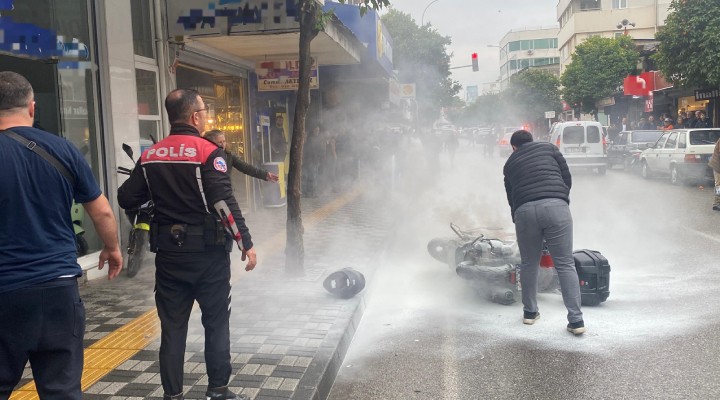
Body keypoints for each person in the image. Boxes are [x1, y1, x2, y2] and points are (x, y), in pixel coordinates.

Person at [118, 89, 257, 400]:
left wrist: (157, 195)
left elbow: (127, 197)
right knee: (216, 323)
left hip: (169, 257)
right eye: (205, 111)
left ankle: (173, 395)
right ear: (195, 116)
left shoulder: (151, 155)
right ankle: (218, 391)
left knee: (172, 329)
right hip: (209, 256)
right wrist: (245, 242)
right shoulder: (209, 152)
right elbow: (223, 202)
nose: (206, 115)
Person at [0, 71, 123, 398]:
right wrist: (112, 248)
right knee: (62, 390)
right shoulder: (62, 149)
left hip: (5, 292)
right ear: (31, 107)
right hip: (59, 288)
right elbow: (103, 211)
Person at [503, 130, 586, 335]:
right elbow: (566, 177)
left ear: (514, 146)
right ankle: (576, 321)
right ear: (531, 140)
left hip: (525, 211)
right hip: (556, 207)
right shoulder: (550, 148)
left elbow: (511, 196)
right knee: (565, 264)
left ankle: (530, 313)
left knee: (529, 263)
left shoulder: (509, 164)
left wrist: (518, 216)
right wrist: (560, 199)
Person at [203, 129, 279, 183]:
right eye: (220, 142)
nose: (223, 145)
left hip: (225, 191)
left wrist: (264, 174)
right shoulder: (205, 157)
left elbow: (246, 167)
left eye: (224, 141)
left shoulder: (229, 155)